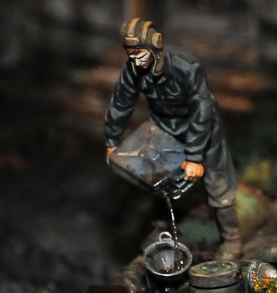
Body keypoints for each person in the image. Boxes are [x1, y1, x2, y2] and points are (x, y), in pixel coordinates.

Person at [104, 18, 242, 260]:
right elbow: (121, 102)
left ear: (155, 45)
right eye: (130, 54)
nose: (136, 60)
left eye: (139, 53)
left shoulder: (187, 67)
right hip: (164, 128)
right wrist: (112, 140)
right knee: (157, 179)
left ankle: (232, 240)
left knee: (218, 183)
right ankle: (162, 228)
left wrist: (194, 156)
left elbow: (202, 110)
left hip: (202, 130)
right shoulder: (133, 70)